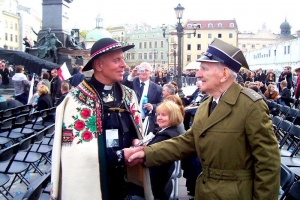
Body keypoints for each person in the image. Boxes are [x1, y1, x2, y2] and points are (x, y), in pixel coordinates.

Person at [125, 38, 280, 200]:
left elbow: (268, 163)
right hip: (206, 191)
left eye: (204, 68)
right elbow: (188, 141)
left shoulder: (250, 105)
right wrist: (146, 153)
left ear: (224, 74)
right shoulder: (208, 103)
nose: (198, 74)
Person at [50, 38, 152, 200]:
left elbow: (134, 130)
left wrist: (135, 141)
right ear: (98, 65)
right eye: (116, 60)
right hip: (92, 185)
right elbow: (75, 154)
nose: (124, 65)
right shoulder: (76, 101)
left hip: (123, 181)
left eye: (123, 59)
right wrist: (119, 156)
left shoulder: (129, 95)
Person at [128, 101, 182, 199]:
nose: (159, 118)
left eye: (164, 115)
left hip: (156, 185)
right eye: (158, 114)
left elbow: (150, 158)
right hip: (162, 181)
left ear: (173, 116)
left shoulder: (166, 135)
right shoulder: (172, 131)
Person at [122, 62, 163, 134]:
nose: (143, 72)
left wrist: (152, 107)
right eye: (142, 70)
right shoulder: (132, 81)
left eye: (146, 70)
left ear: (151, 73)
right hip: (130, 119)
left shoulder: (157, 88)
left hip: (147, 121)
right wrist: (132, 74)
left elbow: (162, 104)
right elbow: (122, 85)